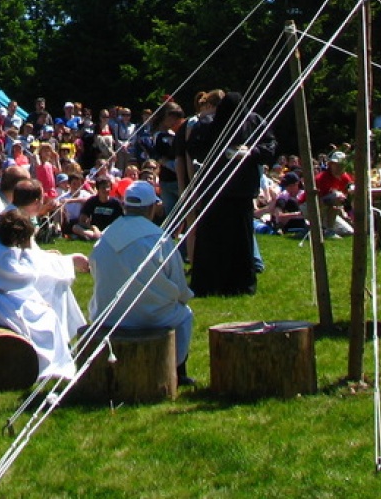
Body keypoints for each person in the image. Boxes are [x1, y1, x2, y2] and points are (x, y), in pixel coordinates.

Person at [0, 205, 89, 378]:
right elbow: (26, 278)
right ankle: (50, 367)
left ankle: (57, 358)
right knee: (45, 318)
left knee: (40, 308)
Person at [87, 180, 195, 385]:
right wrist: (182, 298)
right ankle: (177, 372)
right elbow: (178, 282)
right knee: (184, 315)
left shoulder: (106, 235)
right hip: (151, 316)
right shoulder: (159, 238)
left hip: (108, 314)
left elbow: (96, 271)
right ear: (152, 207)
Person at [186, 91, 268, 296]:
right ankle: (209, 283)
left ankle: (240, 284)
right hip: (215, 192)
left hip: (241, 192)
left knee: (240, 241)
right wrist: (221, 151)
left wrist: (250, 152)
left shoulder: (253, 122)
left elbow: (270, 146)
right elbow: (194, 147)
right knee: (212, 240)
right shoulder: (208, 124)